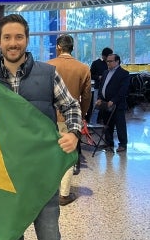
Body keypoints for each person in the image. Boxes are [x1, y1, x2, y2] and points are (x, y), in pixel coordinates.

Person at [0, 14, 82, 240]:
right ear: (0, 42)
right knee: (12, 238)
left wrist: (73, 132)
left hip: (41, 177)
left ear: (26, 40)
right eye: (7, 38)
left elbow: (71, 105)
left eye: (18, 37)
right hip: (7, 175)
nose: (13, 43)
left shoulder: (47, 73)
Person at [48, 34, 91, 205]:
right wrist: (82, 115)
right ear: (72, 47)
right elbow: (86, 97)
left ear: (58, 47)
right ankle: (64, 194)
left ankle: (48, 190)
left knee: (50, 154)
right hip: (71, 119)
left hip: (49, 116)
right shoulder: (83, 68)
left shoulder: (47, 66)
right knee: (68, 153)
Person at [96, 53, 130, 152]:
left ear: (117, 61)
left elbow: (123, 90)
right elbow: (102, 87)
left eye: (110, 61)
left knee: (120, 125)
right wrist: (99, 97)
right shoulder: (106, 72)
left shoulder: (124, 73)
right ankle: (108, 142)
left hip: (117, 105)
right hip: (105, 103)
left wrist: (113, 100)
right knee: (107, 124)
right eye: (107, 61)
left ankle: (122, 144)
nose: (108, 63)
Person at [89, 47, 113, 124]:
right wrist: (98, 77)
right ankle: (93, 123)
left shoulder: (111, 63)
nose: (108, 60)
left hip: (109, 89)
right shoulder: (96, 63)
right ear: (104, 56)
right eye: (108, 58)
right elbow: (90, 75)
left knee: (109, 106)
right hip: (98, 88)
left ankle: (107, 122)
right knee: (96, 106)